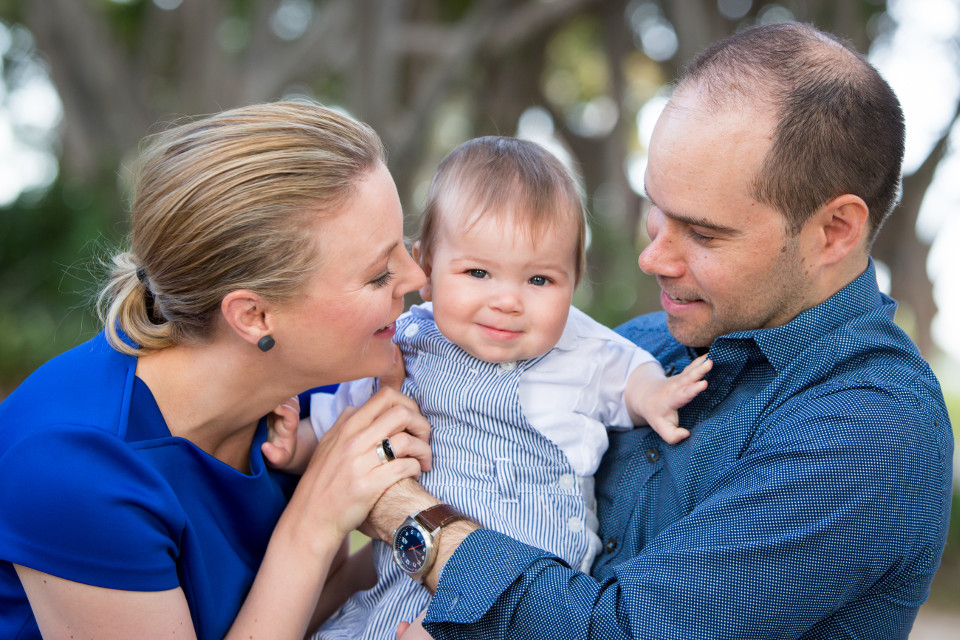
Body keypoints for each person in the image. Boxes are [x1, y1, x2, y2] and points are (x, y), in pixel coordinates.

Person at [363, 22, 955, 639]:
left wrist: (399, 510)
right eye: (657, 211)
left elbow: (618, 632)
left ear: (834, 231)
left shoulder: (872, 428)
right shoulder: (643, 346)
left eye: (703, 233)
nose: (655, 259)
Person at [0, 101, 433, 640]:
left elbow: (303, 609)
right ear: (253, 316)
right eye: (378, 274)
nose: (417, 277)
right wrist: (313, 523)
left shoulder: (309, 387)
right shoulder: (75, 470)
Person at [272, 136, 711, 640]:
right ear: (428, 271)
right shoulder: (408, 344)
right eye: (478, 272)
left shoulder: (580, 347)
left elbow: (627, 371)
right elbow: (349, 428)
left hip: (523, 587)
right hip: (407, 571)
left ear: (574, 282)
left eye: (540, 281)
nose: (507, 301)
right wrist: (296, 446)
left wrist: (655, 394)